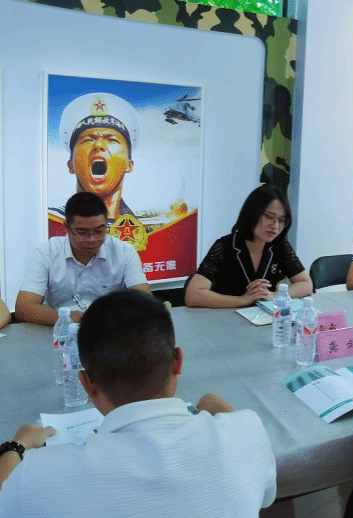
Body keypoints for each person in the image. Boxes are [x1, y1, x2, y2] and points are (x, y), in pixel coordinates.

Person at [0, 290, 276, 516]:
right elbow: (266, 495)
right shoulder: (248, 434)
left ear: (87, 384)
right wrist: (212, 403)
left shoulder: (39, 476)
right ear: (178, 362)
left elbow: (5, 500)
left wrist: (16, 446)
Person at [16, 192, 150, 325]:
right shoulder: (46, 253)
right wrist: (66, 318)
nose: (92, 239)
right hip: (60, 330)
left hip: (110, 328)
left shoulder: (124, 252)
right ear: (66, 227)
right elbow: (23, 308)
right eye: (82, 232)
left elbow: (146, 303)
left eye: (99, 231)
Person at [185, 184, 312, 307]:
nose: (275, 226)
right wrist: (242, 300)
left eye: (281, 220)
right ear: (252, 214)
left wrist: (275, 295)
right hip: (226, 316)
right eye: (269, 217)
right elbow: (192, 295)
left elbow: (306, 284)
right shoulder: (225, 246)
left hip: (263, 316)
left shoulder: (279, 246)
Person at [49, 92, 141, 228]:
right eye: (88, 140)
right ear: (71, 165)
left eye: (112, 140)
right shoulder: (52, 222)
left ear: (129, 165)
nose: (98, 145)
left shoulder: (140, 230)